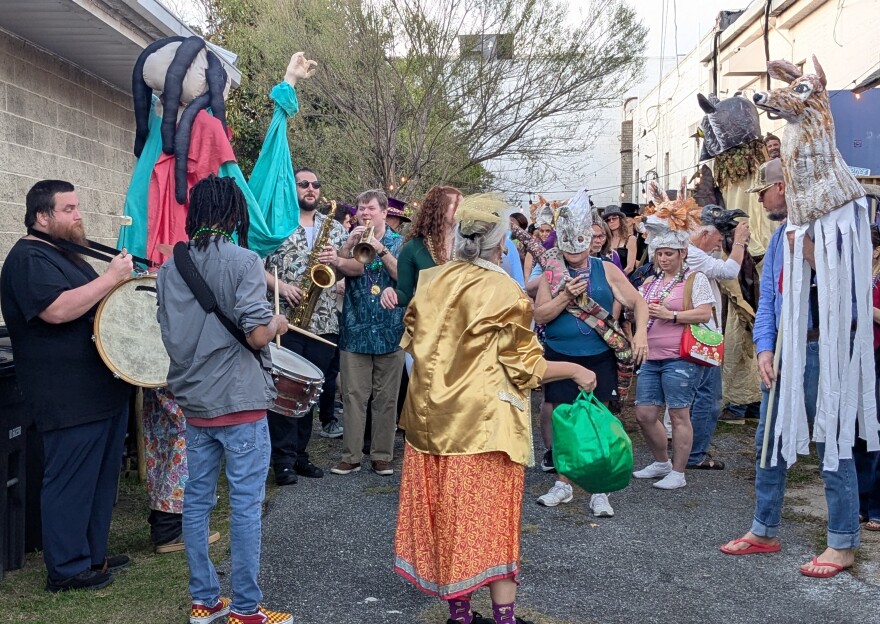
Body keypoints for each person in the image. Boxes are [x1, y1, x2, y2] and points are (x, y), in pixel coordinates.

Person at [394, 193, 597, 624]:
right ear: (500, 243)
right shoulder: (502, 288)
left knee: (449, 521)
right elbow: (527, 367)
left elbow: (413, 341)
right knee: (491, 525)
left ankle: (461, 615)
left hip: (430, 424)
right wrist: (577, 370)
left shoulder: (432, 280)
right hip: (484, 428)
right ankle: (504, 617)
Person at [157, 175, 293, 624]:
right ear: (234, 214)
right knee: (245, 504)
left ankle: (204, 601)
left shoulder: (169, 267)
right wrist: (277, 324)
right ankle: (247, 610)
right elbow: (256, 336)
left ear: (196, 213)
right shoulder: (244, 260)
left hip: (193, 403)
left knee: (196, 502)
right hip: (239, 401)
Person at [720, 159, 862, 578]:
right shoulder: (781, 236)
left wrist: (812, 254)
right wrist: (764, 349)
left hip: (821, 350)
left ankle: (842, 542)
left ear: (782, 187)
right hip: (783, 352)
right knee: (768, 438)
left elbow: (849, 296)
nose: (760, 199)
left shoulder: (833, 231)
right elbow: (768, 301)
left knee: (831, 441)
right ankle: (763, 530)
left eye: (763, 191)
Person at [1, 179, 134, 592]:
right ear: (42, 217)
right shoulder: (28, 259)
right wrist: (111, 278)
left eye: (78, 207)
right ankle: (66, 568)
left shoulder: (64, 254)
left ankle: (92, 555)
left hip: (99, 391)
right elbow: (57, 310)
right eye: (68, 209)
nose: (79, 215)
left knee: (98, 479)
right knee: (70, 481)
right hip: (67, 396)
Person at [532, 203, 648, 515]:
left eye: (579, 252)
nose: (575, 258)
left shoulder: (606, 269)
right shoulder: (551, 274)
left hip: (600, 356)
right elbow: (540, 314)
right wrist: (566, 296)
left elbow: (637, 302)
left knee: (603, 420)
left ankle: (600, 490)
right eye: (568, 253)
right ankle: (564, 483)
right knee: (563, 421)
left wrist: (640, 335)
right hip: (560, 357)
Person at [264, 167, 364, 484]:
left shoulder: (333, 228)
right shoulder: (275, 223)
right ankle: (281, 459)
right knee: (284, 390)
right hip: (286, 321)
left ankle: (300, 454)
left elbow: (356, 269)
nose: (311, 189)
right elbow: (253, 264)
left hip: (323, 322)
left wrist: (338, 260)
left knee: (309, 392)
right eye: (304, 184)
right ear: (291, 188)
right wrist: (281, 288)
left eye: (316, 185)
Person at [632, 182, 714, 490]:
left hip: (680, 356)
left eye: (669, 254)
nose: (663, 259)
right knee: (644, 413)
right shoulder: (650, 281)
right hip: (651, 357)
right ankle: (661, 462)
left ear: (681, 253)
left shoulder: (695, 279)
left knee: (679, 414)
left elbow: (705, 313)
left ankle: (679, 472)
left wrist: (673, 315)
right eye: (659, 254)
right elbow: (638, 308)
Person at [331, 189, 406, 476]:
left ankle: (382, 455)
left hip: (390, 330)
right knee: (352, 396)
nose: (364, 213)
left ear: (384, 212)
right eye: (361, 208)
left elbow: (403, 276)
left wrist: (379, 246)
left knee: (387, 398)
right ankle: (350, 456)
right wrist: (347, 246)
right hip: (355, 327)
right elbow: (334, 275)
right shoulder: (349, 239)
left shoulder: (399, 243)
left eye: (370, 208)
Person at [684, 206, 751, 470]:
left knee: (691, 396)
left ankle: (684, 449)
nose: (720, 243)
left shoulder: (688, 251)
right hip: (703, 335)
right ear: (703, 234)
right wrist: (740, 241)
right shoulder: (693, 254)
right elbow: (729, 271)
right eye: (718, 237)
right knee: (708, 397)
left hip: (697, 333)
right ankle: (694, 454)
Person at [380, 185, 461, 310]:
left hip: (461, 323)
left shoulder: (470, 246)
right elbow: (404, 294)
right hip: (427, 322)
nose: (463, 209)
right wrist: (391, 293)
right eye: (456, 204)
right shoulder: (413, 248)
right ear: (440, 208)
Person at [855, 225, 880, 530]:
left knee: (875, 430)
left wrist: (863, 307)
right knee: (858, 431)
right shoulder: (859, 274)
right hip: (859, 357)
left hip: (877, 356)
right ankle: (860, 503)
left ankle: (876, 506)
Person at [603, 208, 637, 275]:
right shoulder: (605, 240)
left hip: (625, 278)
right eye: (608, 220)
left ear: (620, 220)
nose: (611, 221)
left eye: (614, 218)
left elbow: (630, 267)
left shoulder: (630, 239)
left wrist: (618, 279)